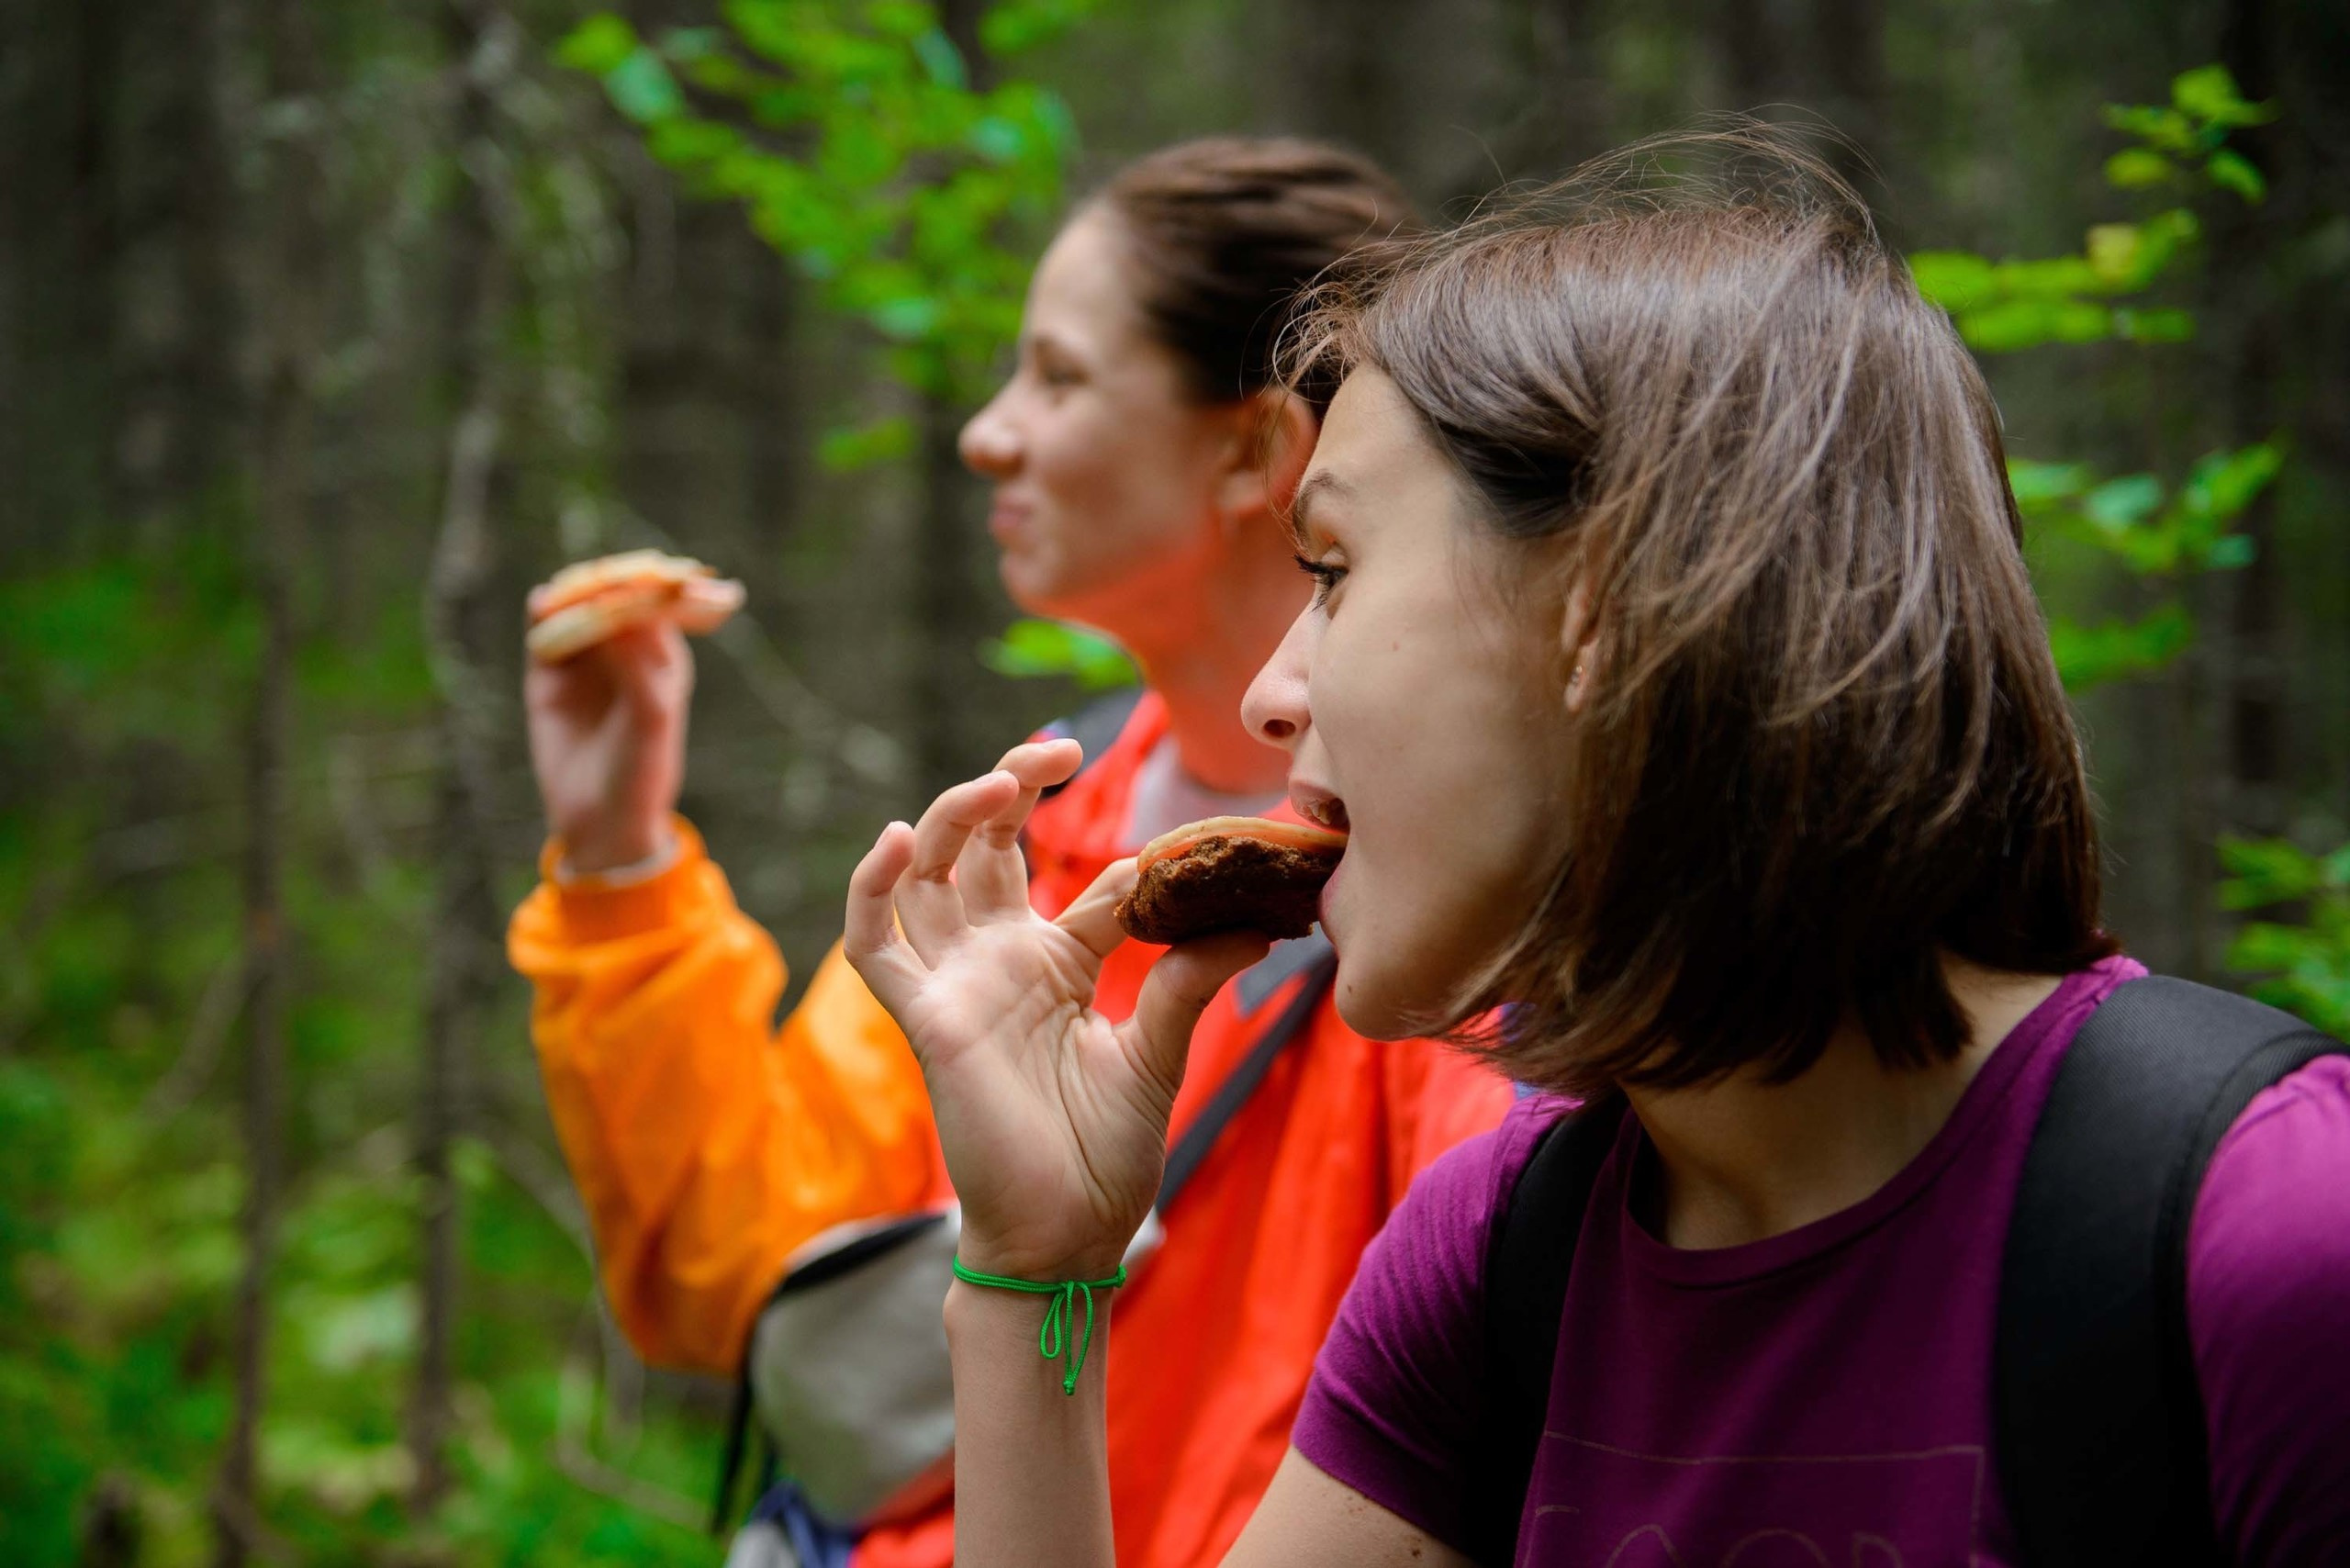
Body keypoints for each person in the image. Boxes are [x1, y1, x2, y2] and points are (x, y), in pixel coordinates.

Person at [841, 129, 2350, 1566]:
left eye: (1337, 571)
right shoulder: (1501, 1260)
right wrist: (1036, 1269)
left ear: (1615, 604)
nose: (1270, 693)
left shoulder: (2273, 1242)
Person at [508, 138, 1516, 1568]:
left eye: (1056, 378)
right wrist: (616, 859)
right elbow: (734, 1275)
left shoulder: (1455, 888)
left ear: (1253, 449)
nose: (986, 433)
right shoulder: (1034, 830)